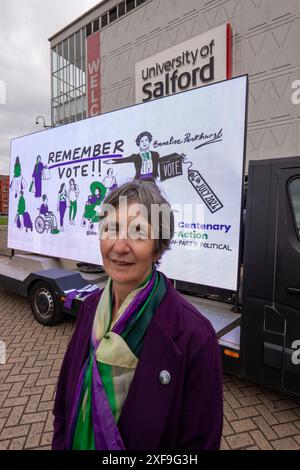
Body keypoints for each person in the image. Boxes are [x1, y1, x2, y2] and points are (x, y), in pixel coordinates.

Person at [52, 180, 223, 451]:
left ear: (158, 246)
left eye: (138, 233)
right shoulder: (90, 308)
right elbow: (64, 401)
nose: (120, 247)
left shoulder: (195, 337)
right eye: (112, 229)